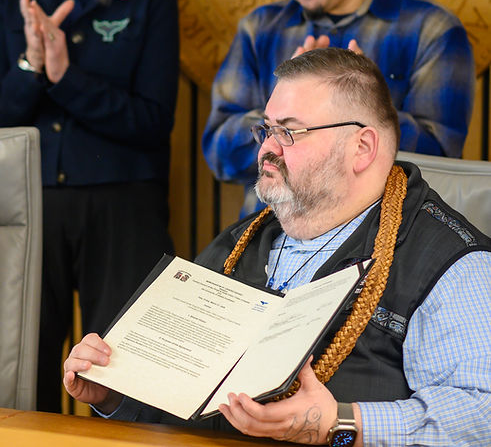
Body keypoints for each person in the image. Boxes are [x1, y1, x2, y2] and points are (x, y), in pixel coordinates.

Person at [65, 48, 491, 446]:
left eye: (289, 132)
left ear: (361, 148)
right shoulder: (239, 243)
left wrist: (340, 426)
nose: (267, 148)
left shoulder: (451, 263)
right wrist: (115, 395)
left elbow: (483, 414)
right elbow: (184, 406)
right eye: (266, 129)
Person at [0, 0, 180, 412]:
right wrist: (32, 68)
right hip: (29, 206)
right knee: (22, 372)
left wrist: (66, 79)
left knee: (122, 376)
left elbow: (152, 122)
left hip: (124, 206)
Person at [202, 0, 475, 218]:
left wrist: (362, 104)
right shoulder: (260, 28)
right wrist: (287, 104)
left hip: (387, 247)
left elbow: (441, 165)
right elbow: (220, 156)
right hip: (267, 244)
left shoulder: (431, 31)